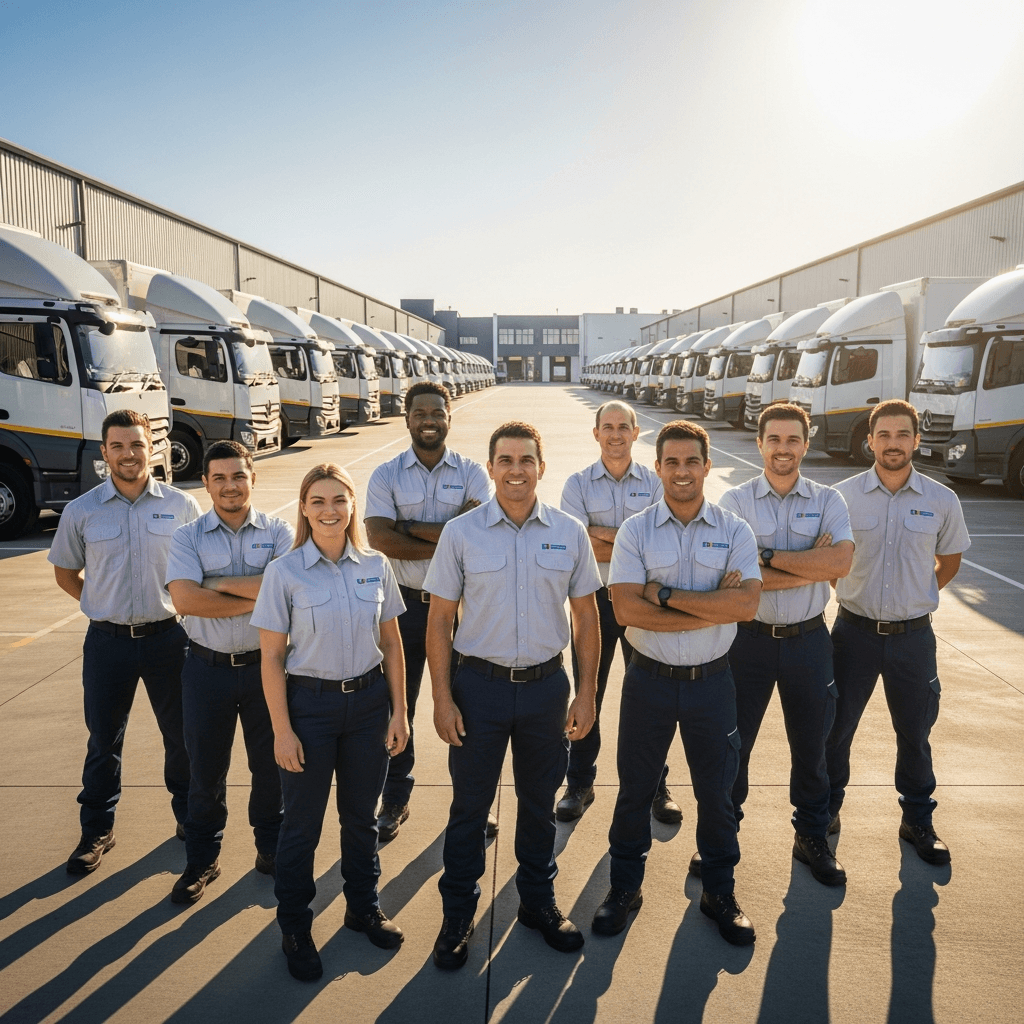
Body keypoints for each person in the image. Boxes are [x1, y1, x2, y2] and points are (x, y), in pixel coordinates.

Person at [424, 421, 601, 970]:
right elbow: (438, 622)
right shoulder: (462, 533)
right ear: (491, 467)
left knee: (538, 807)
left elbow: (587, 618)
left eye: (527, 459)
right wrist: (442, 699)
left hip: (547, 689)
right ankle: (457, 914)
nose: (517, 470)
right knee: (469, 809)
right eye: (506, 460)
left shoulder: (569, 531)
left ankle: (538, 903)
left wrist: (587, 692)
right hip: (478, 689)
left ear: (541, 467)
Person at [593, 420, 762, 946]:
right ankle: (624, 889)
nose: (682, 471)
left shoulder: (735, 530)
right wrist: (712, 607)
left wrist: (662, 597)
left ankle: (720, 891)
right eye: (672, 462)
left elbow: (747, 604)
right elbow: (624, 609)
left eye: (692, 461)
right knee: (635, 790)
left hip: (714, 685)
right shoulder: (636, 532)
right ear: (658, 468)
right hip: (650, 684)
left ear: (707, 467)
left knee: (717, 793)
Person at [251, 464, 409, 982]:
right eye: (317, 500)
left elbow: (391, 643)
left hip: (367, 708)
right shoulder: (285, 571)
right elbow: (272, 657)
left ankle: (363, 906)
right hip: (310, 710)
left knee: (361, 819)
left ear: (351, 506)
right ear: (303, 507)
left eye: (339, 500)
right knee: (301, 827)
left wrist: (400, 712)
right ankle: (295, 925)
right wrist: (281, 729)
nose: (329, 510)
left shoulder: (375, 564)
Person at [49, 409, 201, 875]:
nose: (128, 454)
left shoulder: (181, 506)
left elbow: (197, 575)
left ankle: (189, 819)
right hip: (108, 643)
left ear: (150, 446)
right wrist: (101, 604)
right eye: (118, 446)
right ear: (104, 453)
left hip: (168, 639)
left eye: (136, 444)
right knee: (103, 740)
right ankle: (97, 830)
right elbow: (65, 573)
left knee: (182, 739)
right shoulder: (82, 511)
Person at [826, 399, 969, 866]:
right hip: (854, 634)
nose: (893, 443)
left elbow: (948, 562)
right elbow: (830, 564)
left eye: (902, 435)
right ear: (870, 440)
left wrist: (914, 598)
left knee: (915, 732)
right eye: (883, 435)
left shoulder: (940, 499)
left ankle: (918, 819)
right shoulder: (841, 497)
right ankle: (825, 811)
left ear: (916, 439)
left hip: (913, 639)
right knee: (836, 729)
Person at [716, 404, 854, 887]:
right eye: (773, 439)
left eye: (792, 440)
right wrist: (806, 560)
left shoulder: (828, 500)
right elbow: (733, 583)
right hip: (746, 643)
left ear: (805, 443)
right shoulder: (733, 503)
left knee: (813, 746)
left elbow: (839, 564)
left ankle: (812, 835)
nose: (783, 449)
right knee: (734, 746)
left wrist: (766, 556)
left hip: (808, 641)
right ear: (759, 444)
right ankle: (722, 839)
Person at [165, 440, 294, 904]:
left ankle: (270, 849)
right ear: (205, 483)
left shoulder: (280, 531)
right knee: (205, 771)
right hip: (206, 669)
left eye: (238, 475)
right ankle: (202, 860)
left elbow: (285, 593)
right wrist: (254, 594)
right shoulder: (187, 536)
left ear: (252, 478)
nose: (229, 486)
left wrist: (214, 583)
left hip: (267, 671)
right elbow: (184, 600)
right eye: (218, 477)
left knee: (272, 768)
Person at [364, 380, 493, 841]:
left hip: (460, 614)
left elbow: (479, 537)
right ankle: (395, 798)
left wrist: (412, 526)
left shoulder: (475, 472)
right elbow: (380, 539)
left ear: (449, 417)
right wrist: (450, 533)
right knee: (397, 707)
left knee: (469, 708)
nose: (429, 420)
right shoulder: (385, 475)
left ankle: (474, 803)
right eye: (419, 412)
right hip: (401, 607)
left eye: (437, 412)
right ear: (407, 418)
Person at [558, 400, 680, 823]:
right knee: (587, 691)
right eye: (606, 427)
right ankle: (579, 782)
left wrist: (604, 536)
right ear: (596, 434)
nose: (614, 434)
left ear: (635, 433)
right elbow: (578, 544)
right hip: (592, 602)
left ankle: (654, 784)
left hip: (641, 604)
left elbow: (662, 545)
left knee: (649, 699)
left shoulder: (653, 481)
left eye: (622, 427)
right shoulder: (576, 485)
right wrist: (631, 540)